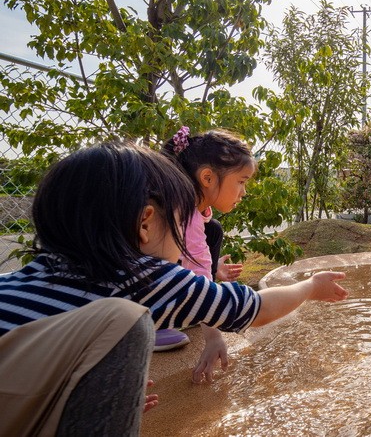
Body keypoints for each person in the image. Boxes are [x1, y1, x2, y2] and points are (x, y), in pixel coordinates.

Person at [0, 142, 349, 436]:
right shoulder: (146, 278)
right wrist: (309, 287)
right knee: (126, 321)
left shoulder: (19, 280)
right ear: (145, 223)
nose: (186, 234)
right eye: (182, 221)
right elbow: (255, 308)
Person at [161, 126, 255, 382]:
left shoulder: (195, 211)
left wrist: (212, 270)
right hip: (135, 291)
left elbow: (200, 260)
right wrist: (214, 336)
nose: (243, 193)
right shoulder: (185, 211)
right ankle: (153, 322)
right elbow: (201, 281)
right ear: (207, 178)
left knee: (212, 229)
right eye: (241, 182)